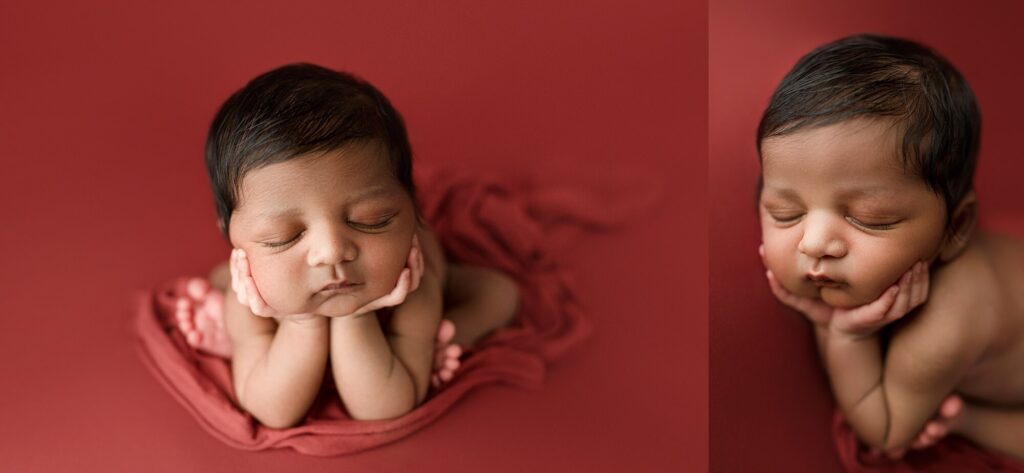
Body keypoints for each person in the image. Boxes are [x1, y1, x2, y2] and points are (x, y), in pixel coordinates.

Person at [173, 63, 520, 428]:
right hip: (273, 291)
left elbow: (382, 406)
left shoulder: (414, 287)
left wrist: (357, 316)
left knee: (499, 294)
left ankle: (439, 344)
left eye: (372, 219)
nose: (332, 251)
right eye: (283, 236)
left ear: (410, 207)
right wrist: (300, 322)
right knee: (233, 290)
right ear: (232, 238)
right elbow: (270, 409)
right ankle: (245, 337)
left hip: (421, 289)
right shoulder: (251, 299)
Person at [757, 34, 1024, 460]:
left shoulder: (946, 322)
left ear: (955, 228)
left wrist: (842, 333)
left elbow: (886, 430)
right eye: (785, 212)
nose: (814, 243)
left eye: (869, 218)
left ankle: (970, 416)